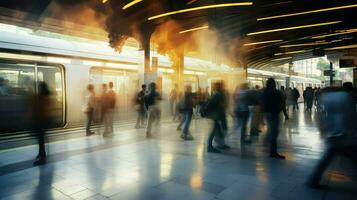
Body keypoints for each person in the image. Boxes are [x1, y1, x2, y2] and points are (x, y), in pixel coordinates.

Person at [307, 85, 357, 188]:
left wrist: (323, 131)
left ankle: (313, 180)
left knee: (328, 158)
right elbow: (351, 115)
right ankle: (313, 181)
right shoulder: (346, 96)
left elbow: (320, 115)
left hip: (331, 133)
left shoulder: (326, 97)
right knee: (352, 155)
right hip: (344, 133)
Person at [261, 78, 285, 159]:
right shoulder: (276, 92)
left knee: (271, 130)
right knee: (274, 132)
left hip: (267, 113)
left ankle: (268, 144)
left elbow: (262, 102)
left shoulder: (264, 92)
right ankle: (273, 152)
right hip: (274, 113)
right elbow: (282, 102)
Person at [206, 81, 230, 153]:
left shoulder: (217, 94)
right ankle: (210, 147)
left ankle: (220, 144)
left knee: (218, 131)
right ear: (218, 87)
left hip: (217, 115)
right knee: (215, 131)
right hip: (216, 115)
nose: (223, 87)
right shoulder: (217, 94)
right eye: (221, 86)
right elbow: (217, 105)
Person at [33, 82, 51, 165]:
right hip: (44, 121)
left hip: (41, 121)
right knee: (41, 140)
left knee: (41, 140)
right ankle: (40, 154)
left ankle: (42, 158)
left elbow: (42, 110)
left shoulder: (42, 97)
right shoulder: (46, 96)